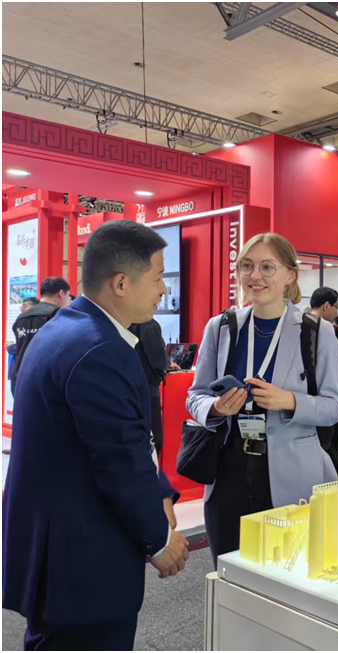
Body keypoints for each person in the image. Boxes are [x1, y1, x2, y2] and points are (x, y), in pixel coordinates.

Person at [2, 221, 188, 651]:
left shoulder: (65, 328)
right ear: (121, 283)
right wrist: (159, 539)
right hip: (81, 563)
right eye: (157, 277)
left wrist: (160, 490)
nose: (163, 289)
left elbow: (115, 438)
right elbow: (118, 461)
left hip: (57, 552)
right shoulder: (101, 349)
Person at [187, 233, 338, 569]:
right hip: (228, 470)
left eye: (267, 267)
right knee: (229, 573)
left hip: (292, 473)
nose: (255, 276)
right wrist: (215, 408)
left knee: (289, 575)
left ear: (290, 275)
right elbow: (195, 395)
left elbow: (335, 407)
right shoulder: (221, 327)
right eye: (247, 266)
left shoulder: (317, 332)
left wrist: (289, 401)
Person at [310, 287, 338, 471]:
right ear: (326, 306)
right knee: (331, 447)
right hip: (330, 400)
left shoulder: (298, 327)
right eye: (336, 307)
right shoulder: (331, 331)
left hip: (305, 402)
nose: (337, 312)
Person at [10, 276, 71, 380]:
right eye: (68, 295)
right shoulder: (59, 315)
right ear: (61, 293)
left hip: (22, 377)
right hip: (48, 378)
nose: (68, 299)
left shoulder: (21, 317)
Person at [129, 319, 173, 458]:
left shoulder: (123, 321)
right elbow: (159, 360)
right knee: (154, 438)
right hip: (148, 387)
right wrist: (167, 363)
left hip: (129, 386)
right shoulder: (148, 324)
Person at [6, 296, 39, 396]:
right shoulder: (21, 321)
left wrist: (11, 347)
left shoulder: (39, 323)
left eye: (25, 306)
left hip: (29, 368)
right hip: (17, 368)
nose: (22, 309)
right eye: (22, 307)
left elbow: (28, 345)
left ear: (36, 306)